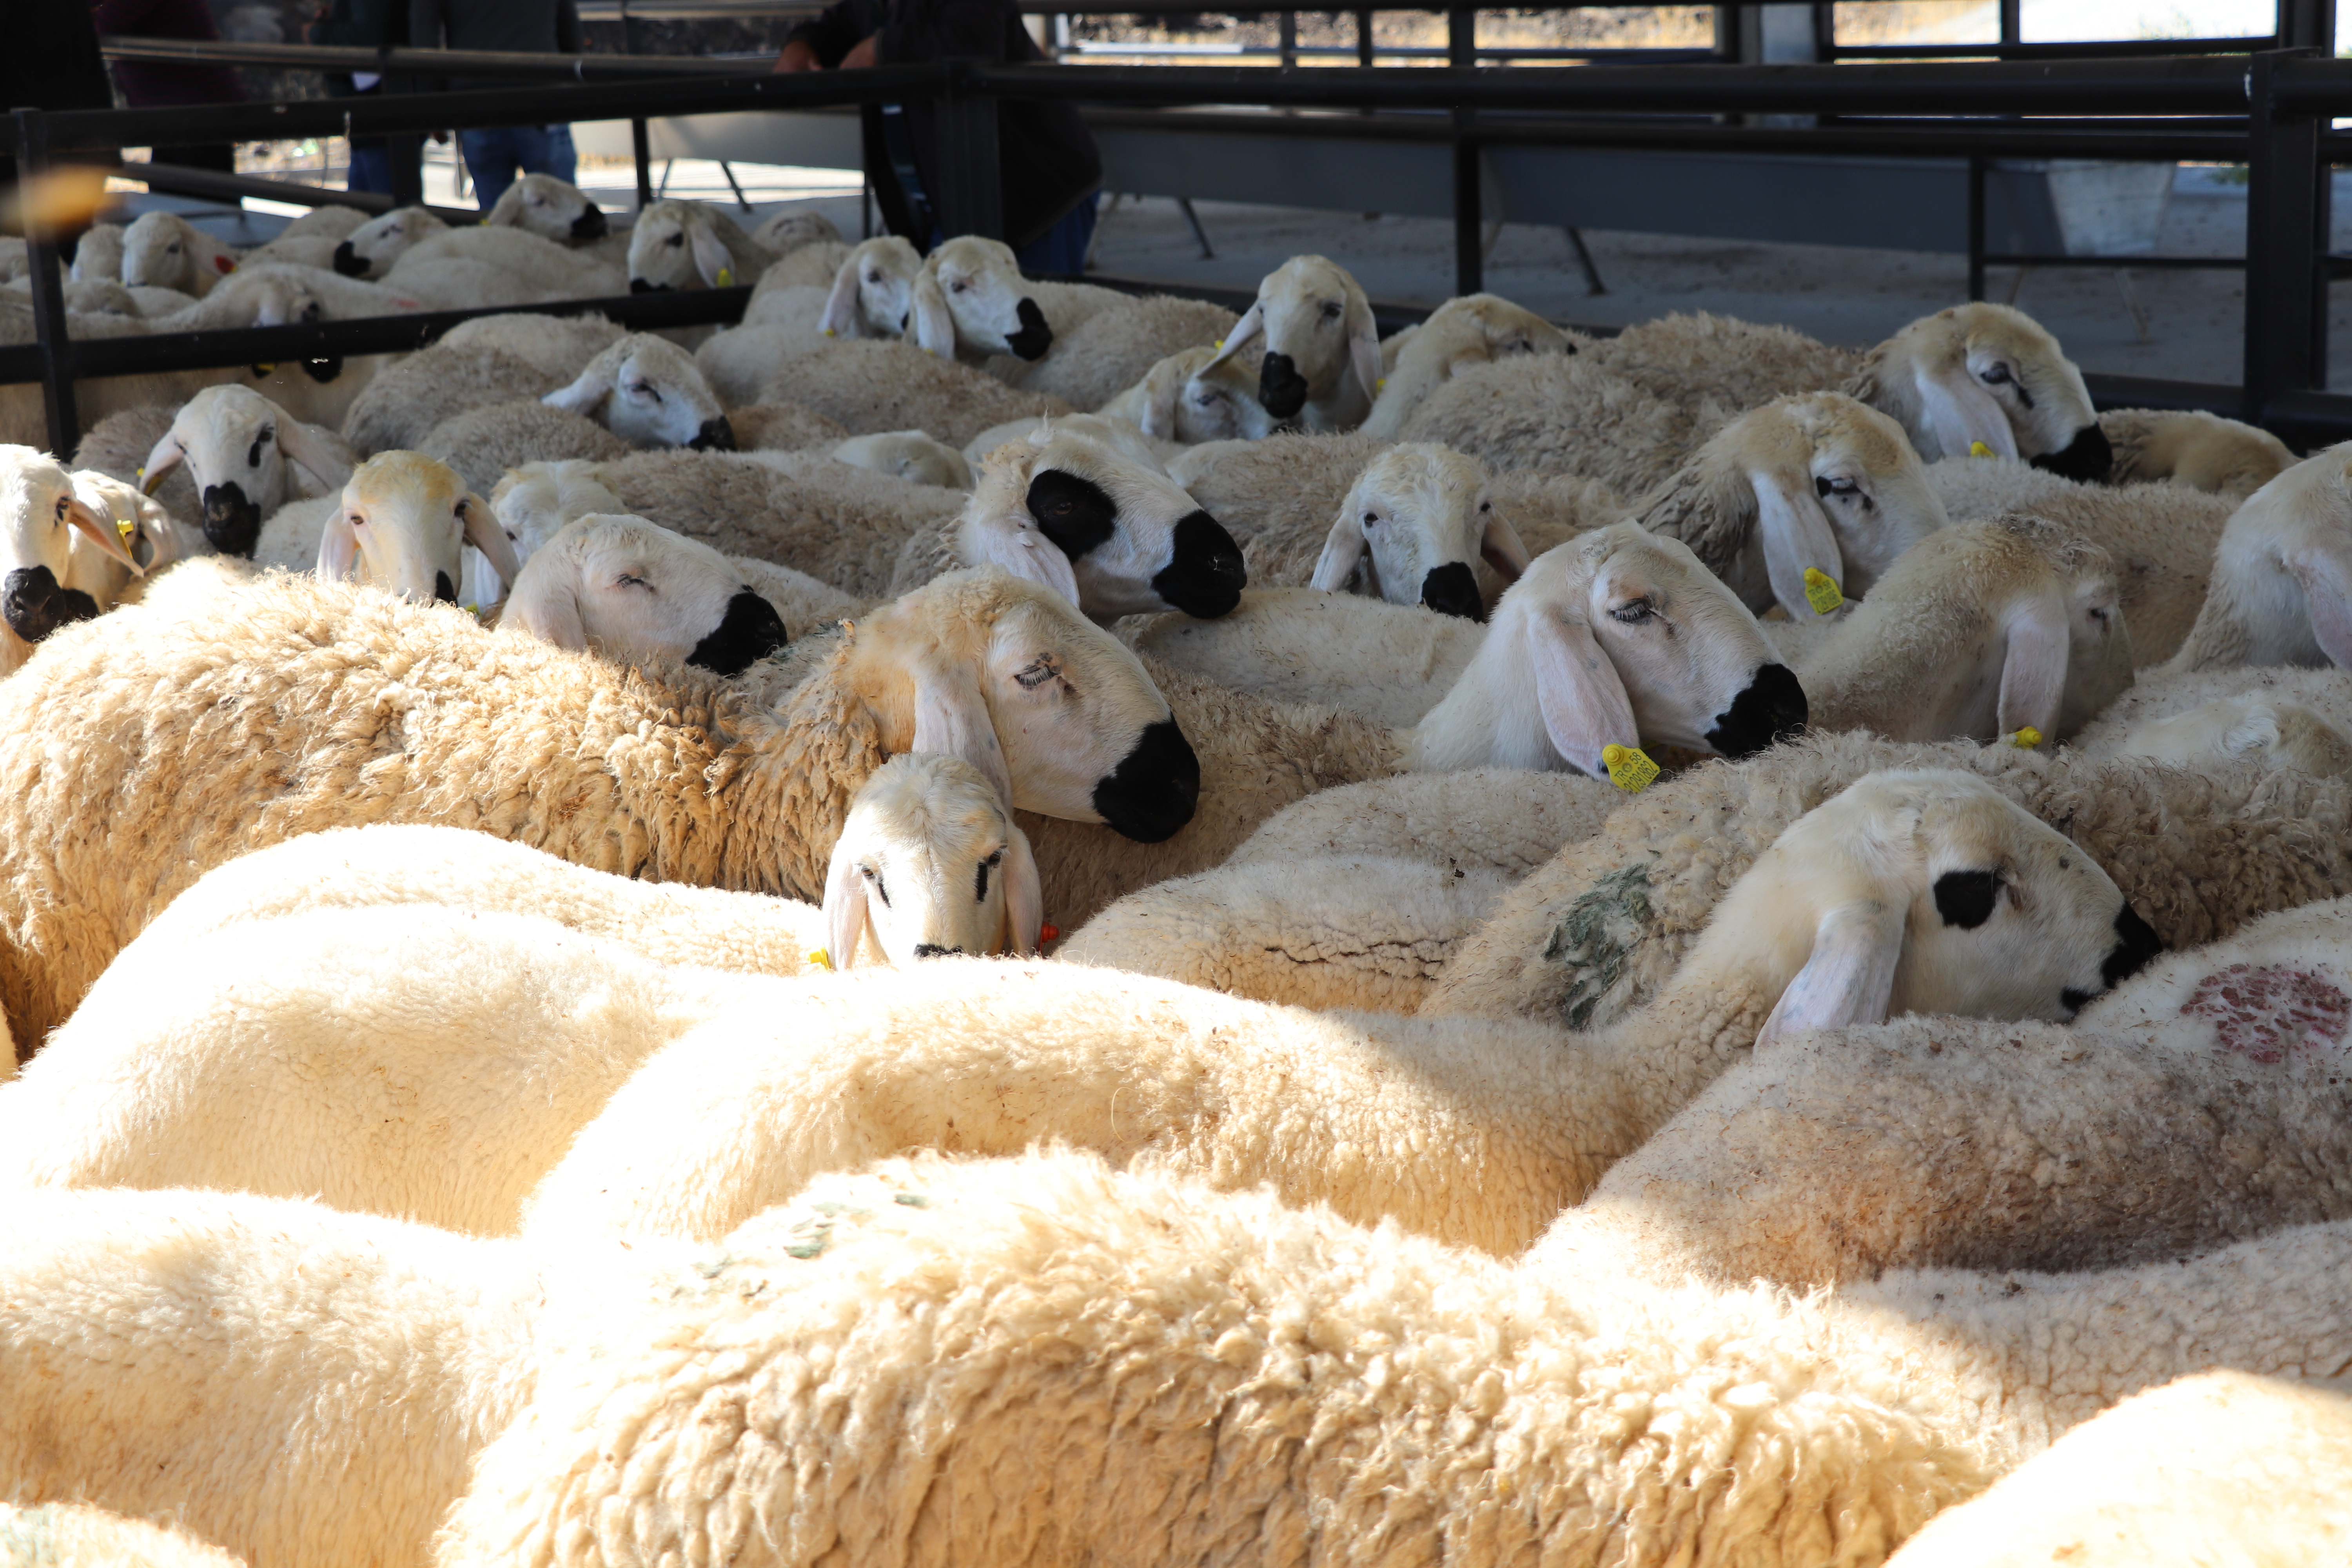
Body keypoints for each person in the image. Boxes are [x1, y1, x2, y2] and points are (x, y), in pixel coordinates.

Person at [775, 0, 1101, 274]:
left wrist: (882, 48)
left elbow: (974, 42)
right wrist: (802, 45)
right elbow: (838, 25)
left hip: (1032, 200)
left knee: (1032, 327)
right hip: (952, 206)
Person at [408, 0, 581, 213]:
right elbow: (570, 30)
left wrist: (434, 108)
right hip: (540, 93)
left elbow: (424, 37)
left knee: (497, 215)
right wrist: (570, 87)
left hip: (477, 101)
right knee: (563, 213)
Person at [89, 0, 246, 172]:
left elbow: (99, 25)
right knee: (187, 187)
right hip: (181, 110)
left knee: (194, 187)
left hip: (190, 110)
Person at [307, 0, 419, 198]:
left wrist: (316, 33)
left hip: (378, 112)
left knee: (385, 209)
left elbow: (367, 37)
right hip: (372, 110)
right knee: (368, 206)